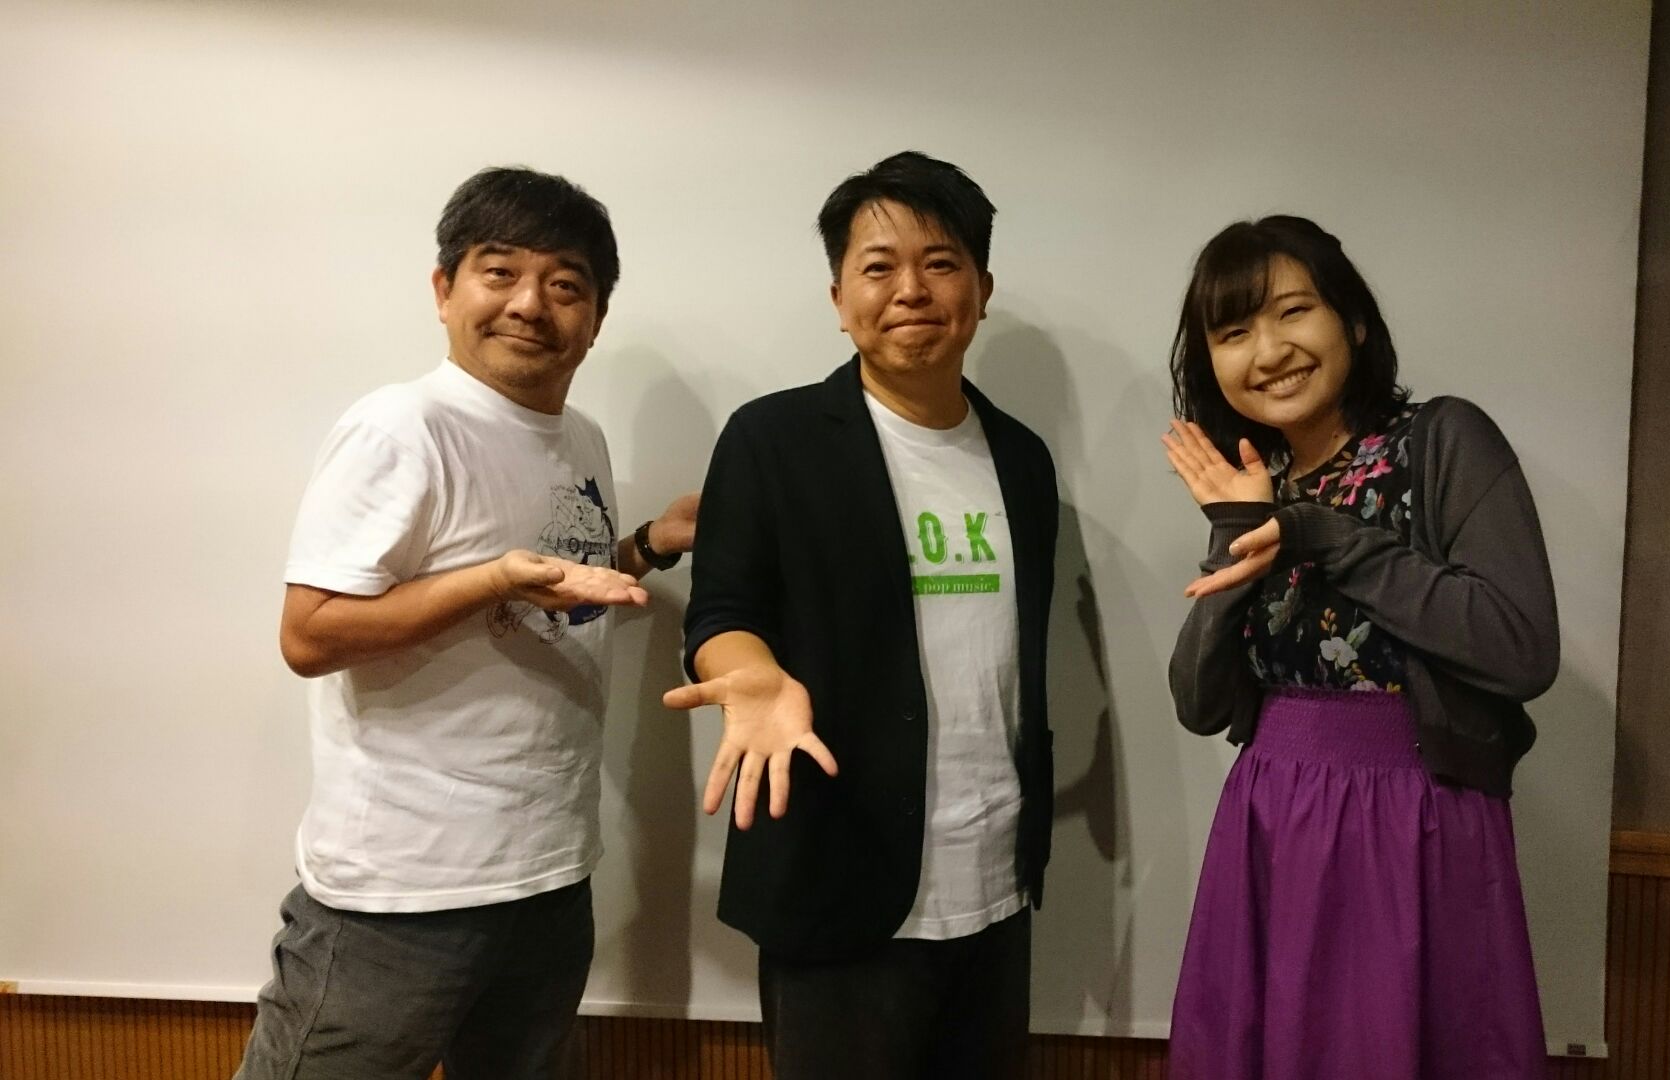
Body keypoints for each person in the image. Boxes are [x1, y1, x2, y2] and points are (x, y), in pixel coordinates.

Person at [234, 166, 698, 1080]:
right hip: (399, 897)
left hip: (549, 877)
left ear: (596, 317)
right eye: (500, 272)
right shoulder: (402, 427)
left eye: (564, 284)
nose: (530, 304)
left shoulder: (581, 437)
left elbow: (556, 592)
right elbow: (310, 634)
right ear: (445, 289)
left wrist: (648, 544)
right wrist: (492, 580)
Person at [665, 151, 1058, 1079]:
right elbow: (722, 611)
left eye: (941, 262)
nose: (911, 289)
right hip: (836, 876)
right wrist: (752, 676)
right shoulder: (773, 439)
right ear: (839, 298)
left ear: (982, 288)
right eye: (879, 267)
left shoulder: (1023, 458)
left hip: (994, 880)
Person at [1162, 215, 1558, 1079]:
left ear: (1356, 322)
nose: (1269, 351)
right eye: (1234, 332)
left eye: (1293, 312)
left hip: (1412, 820)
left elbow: (1521, 647)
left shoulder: (1441, 440)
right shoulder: (1260, 481)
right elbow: (1198, 702)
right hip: (1269, 820)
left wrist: (1321, 535)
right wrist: (1236, 529)